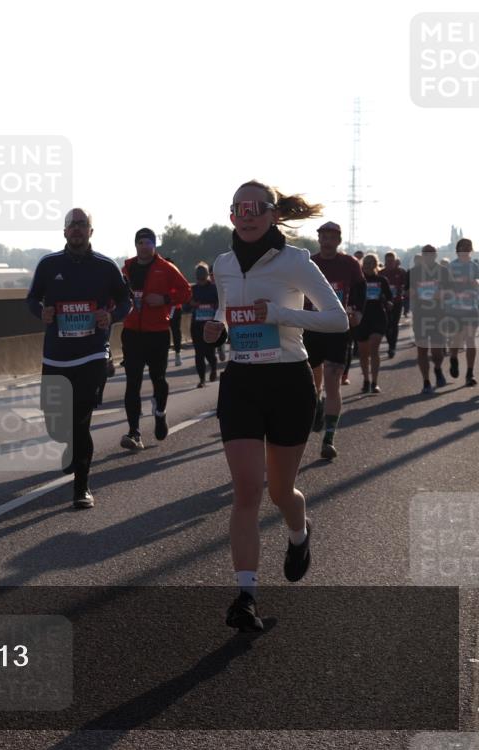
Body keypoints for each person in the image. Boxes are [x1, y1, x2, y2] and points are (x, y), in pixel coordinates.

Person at [206, 181, 347, 632]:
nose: (246, 217)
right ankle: (245, 596)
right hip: (242, 381)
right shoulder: (224, 265)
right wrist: (213, 328)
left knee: (281, 492)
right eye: (238, 209)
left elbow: (336, 318)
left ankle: (299, 533)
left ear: (272, 215)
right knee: (246, 489)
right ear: (232, 216)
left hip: (288, 381)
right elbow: (225, 312)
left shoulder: (295, 261)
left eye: (255, 209)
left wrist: (281, 315)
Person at [27, 209, 130, 506]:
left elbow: (126, 300)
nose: (76, 229)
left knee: (81, 420)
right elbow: (32, 299)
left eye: (82, 224)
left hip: (92, 354)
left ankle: (81, 488)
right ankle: (69, 443)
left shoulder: (105, 266)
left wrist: (110, 316)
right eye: (71, 224)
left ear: (91, 231)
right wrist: (41, 311)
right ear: (64, 231)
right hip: (57, 356)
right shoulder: (49, 265)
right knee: (57, 422)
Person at [118, 227, 190, 450]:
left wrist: (165, 298)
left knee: (159, 379)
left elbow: (186, 291)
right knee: (133, 383)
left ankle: (160, 413)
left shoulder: (165, 268)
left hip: (157, 332)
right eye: (140, 242)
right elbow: (115, 293)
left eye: (148, 242)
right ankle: (134, 433)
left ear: (154, 245)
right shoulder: (126, 268)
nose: (144, 246)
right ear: (136, 245)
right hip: (132, 333)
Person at [302, 221, 364, 460]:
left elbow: (360, 288)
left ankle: (329, 436)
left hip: (337, 329)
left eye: (331, 237)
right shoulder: (309, 264)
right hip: (311, 327)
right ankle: (316, 403)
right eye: (323, 236)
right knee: (312, 383)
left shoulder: (349, 264)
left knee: (333, 381)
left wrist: (357, 310)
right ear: (318, 239)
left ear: (338, 240)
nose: (327, 241)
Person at [409, 245, 452, 393]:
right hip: (420, 315)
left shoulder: (443, 271)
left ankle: (438, 369)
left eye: (431, 254)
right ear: (422, 256)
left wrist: (441, 294)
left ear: (435, 255)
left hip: (438, 314)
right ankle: (426, 381)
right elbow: (406, 291)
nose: (428, 257)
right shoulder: (414, 272)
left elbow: (450, 292)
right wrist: (412, 292)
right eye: (425, 254)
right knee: (422, 350)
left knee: (437, 352)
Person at [354, 253, 393, 393]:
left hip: (377, 316)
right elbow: (352, 297)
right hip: (361, 318)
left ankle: (375, 382)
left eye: (372, 263)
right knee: (363, 353)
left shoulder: (382, 280)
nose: (369, 265)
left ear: (376, 264)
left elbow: (390, 298)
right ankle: (366, 380)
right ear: (362, 265)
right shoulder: (358, 280)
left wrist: (388, 302)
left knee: (374, 348)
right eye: (366, 263)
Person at [446, 238, 478, 386]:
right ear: (458, 250)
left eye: (468, 247)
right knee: (457, 338)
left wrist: (475, 283)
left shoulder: (475, 266)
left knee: (470, 339)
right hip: (455, 308)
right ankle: (453, 358)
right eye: (463, 247)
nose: (465, 249)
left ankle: (470, 374)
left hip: (472, 308)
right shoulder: (452, 267)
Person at [185, 261, 220, 388]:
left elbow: (222, 304)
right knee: (199, 353)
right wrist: (191, 304)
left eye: (203, 278)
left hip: (211, 325)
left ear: (207, 276)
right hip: (197, 326)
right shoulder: (192, 290)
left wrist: (215, 306)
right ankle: (202, 379)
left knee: (209, 352)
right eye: (199, 278)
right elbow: (185, 307)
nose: (201, 280)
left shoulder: (214, 289)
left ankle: (214, 369)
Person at [379, 251, 409, 358]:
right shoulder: (381, 273)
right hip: (385, 303)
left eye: (392, 261)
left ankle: (392, 347)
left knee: (394, 324)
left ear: (395, 261)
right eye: (388, 261)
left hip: (397, 302)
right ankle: (391, 344)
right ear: (385, 261)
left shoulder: (401, 272)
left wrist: (404, 291)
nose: (390, 263)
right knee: (387, 325)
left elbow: (407, 285)